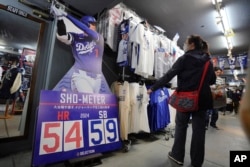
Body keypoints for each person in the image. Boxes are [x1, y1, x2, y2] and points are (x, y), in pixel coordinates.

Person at [147, 35, 216, 167]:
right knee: (199, 132)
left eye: (185, 42)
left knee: (181, 127)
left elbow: (169, 75)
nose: (184, 45)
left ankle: (177, 156)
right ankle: (196, 162)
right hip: (202, 100)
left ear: (192, 45)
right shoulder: (208, 60)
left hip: (185, 98)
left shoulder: (184, 58)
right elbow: (212, 80)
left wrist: (153, 88)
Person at [50, 4, 111, 94]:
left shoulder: (99, 38)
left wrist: (67, 15)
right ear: (86, 24)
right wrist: (60, 19)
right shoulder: (76, 37)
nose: (95, 26)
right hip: (81, 76)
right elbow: (62, 36)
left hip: (97, 78)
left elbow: (87, 30)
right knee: (89, 102)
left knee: (92, 105)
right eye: (93, 24)